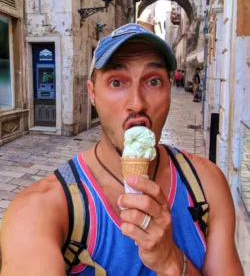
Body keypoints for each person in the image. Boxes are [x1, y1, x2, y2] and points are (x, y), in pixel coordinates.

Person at [0, 23, 244, 276]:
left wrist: (172, 262)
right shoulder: (39, 211)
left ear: (169, 90)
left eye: (153, 81)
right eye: (117, 82)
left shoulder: (207, 185)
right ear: (92, 94)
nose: (137, 103)